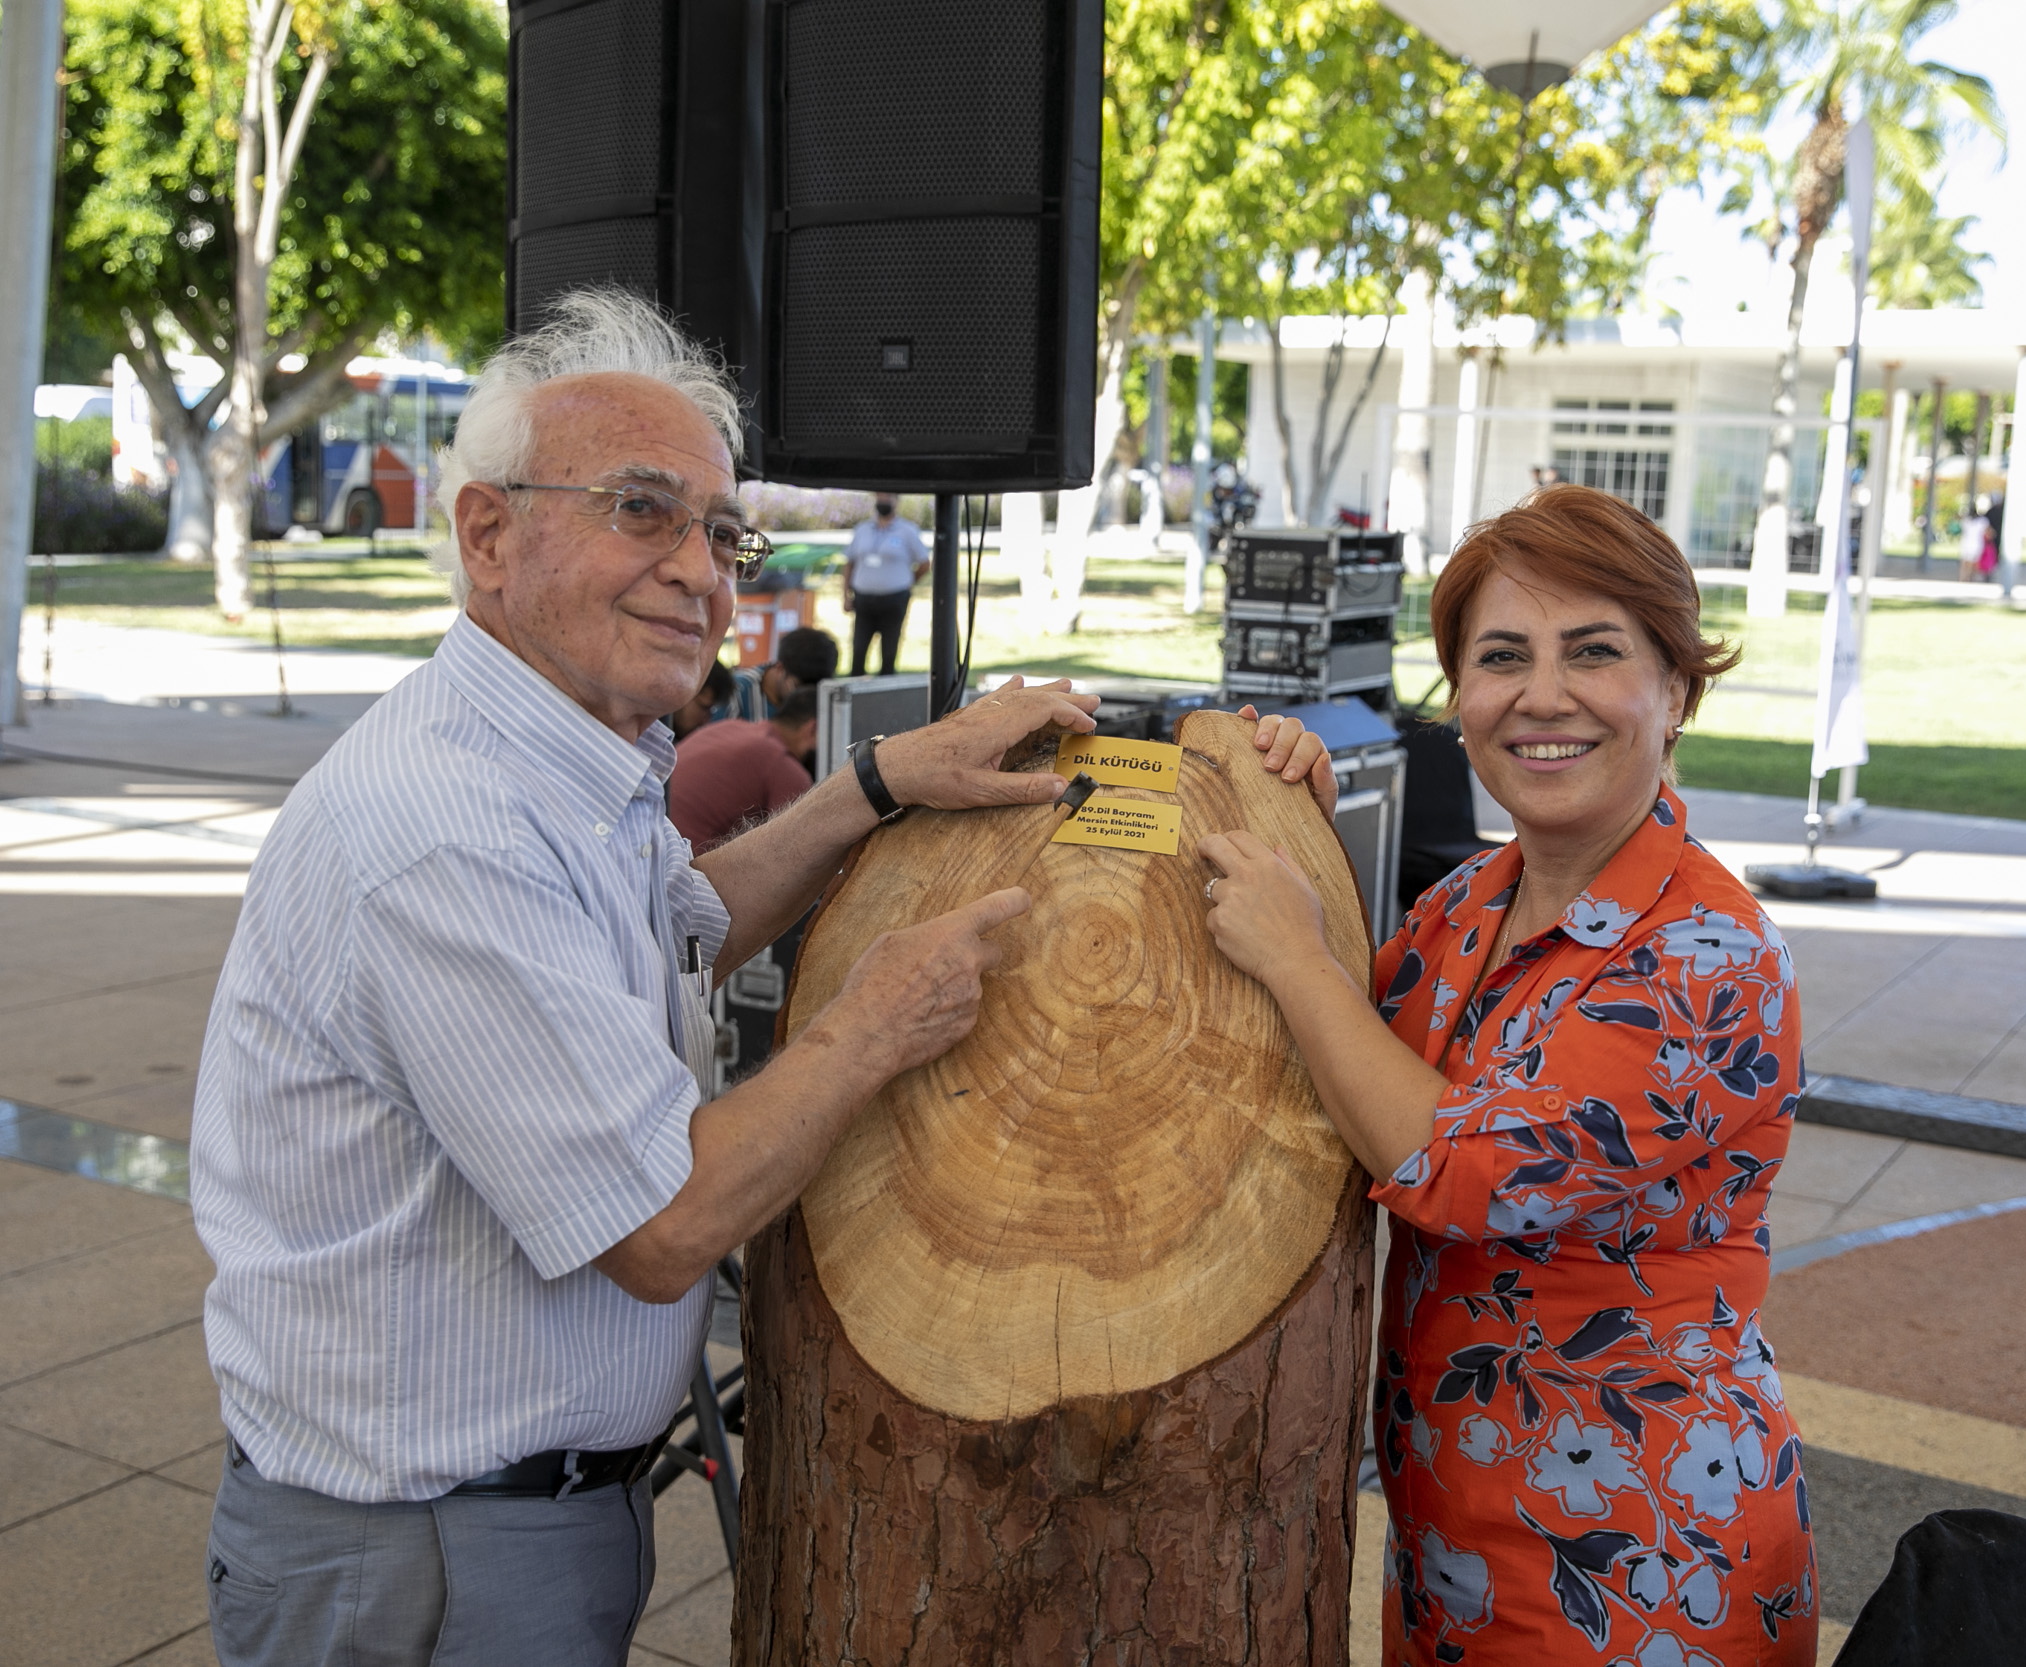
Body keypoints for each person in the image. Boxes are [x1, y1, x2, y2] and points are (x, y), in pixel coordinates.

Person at [187, 290, 1334, 1665]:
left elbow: (674, 928)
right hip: (428, 1555)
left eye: (724, 531)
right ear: (488, 534)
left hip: (502, 1524)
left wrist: (873, 784)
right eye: (641, 509)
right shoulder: (448, 827)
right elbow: (666, 1224)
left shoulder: (548, 758)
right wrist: (873, 1024)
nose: (702, 570)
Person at [1198, 483, 1814, 1667]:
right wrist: (1297, 838)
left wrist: (1294, 947)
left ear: (1675, 689)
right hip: (1453, 1529)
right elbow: (1328, 1076)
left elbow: (1461, 1166)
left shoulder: (1706, 951)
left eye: (1593, 651)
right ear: (1460, 698)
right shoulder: (1469, 900)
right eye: (1499, 657)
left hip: (1637, 1550)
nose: (1540, 695)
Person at [669, 683, 818, 852]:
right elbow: (797, 851)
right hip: (685, 863)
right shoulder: (783, 765)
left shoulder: (731, 726)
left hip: (654, 844)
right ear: (813, 728)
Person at [844, 494, 927, 675]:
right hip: (864, 599)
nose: (883, 502)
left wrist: (907, 580)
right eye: (880, 497)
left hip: (894, 599)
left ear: (896, 502)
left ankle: (886, 693)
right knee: (858, 649)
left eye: (887, 498)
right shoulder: (862, 529)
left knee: (889, 651)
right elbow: (849, 563)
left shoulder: (907, 530)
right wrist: (845, 595)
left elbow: (924, 563)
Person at [725, 624, 837, 723]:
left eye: (814, 690)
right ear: (780, 668)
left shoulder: (822, 700)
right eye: (798, 687)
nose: (805, 698)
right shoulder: (737, 691)